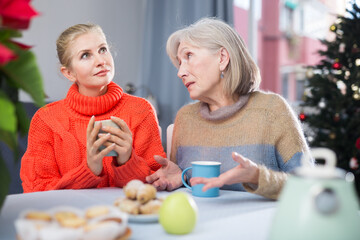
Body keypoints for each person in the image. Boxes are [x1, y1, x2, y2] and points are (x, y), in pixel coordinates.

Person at [146, 18, 312, 200]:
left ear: (222, 58)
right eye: (179, 63)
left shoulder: (272, 111)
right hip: (201, 226)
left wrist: (258, 177)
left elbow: (310, 186)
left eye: (189, 56)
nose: (180, 72)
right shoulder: (185, 118)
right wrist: (182, 177)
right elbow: (191, 189)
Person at [20, 23, 165, 193]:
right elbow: (36, 190)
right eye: (86, 55)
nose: (101, 61)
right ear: (69, 73)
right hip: (70, 218)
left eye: (102, 49)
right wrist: (89, 170)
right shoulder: (45, 119)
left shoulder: (141, 110)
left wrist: (127, 162)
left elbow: (159, 182)